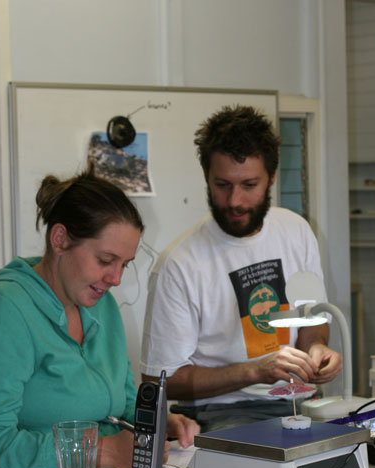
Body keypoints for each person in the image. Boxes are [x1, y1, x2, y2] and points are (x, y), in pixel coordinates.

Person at [0, 166, 199, 468]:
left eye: (124, 264)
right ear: (59, 240)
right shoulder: (5, 308)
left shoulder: (103, 307)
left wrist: (154, 426)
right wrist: (102, 451)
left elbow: (122, 406)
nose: (115, 278)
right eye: (105, 260)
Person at [141, 105, 342, 431]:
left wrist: (317, 350)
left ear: (271, 179)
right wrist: (255, 371)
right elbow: (160, 382)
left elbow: (313, 321)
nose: (235, 201)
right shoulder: (178, 264)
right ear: (207, 177)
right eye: (222, 185)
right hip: (222, 412)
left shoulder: (296, 231)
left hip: (298, 400)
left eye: (249, 185)